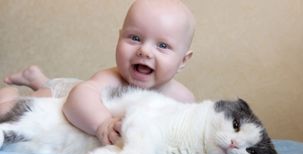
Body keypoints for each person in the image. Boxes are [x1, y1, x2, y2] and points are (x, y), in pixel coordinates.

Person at [1, 0, 196, 145]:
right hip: (63, 94)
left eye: (162, 45)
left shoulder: (183, 99)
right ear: (119, 37)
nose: (144, 51)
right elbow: (75, 100)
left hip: (74, 86)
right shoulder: (111, 79)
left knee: (49, 85)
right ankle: (12, 93)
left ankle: (37, 78)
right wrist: (102, 123)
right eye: (135, 37)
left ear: (183, 61)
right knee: (18, 107)